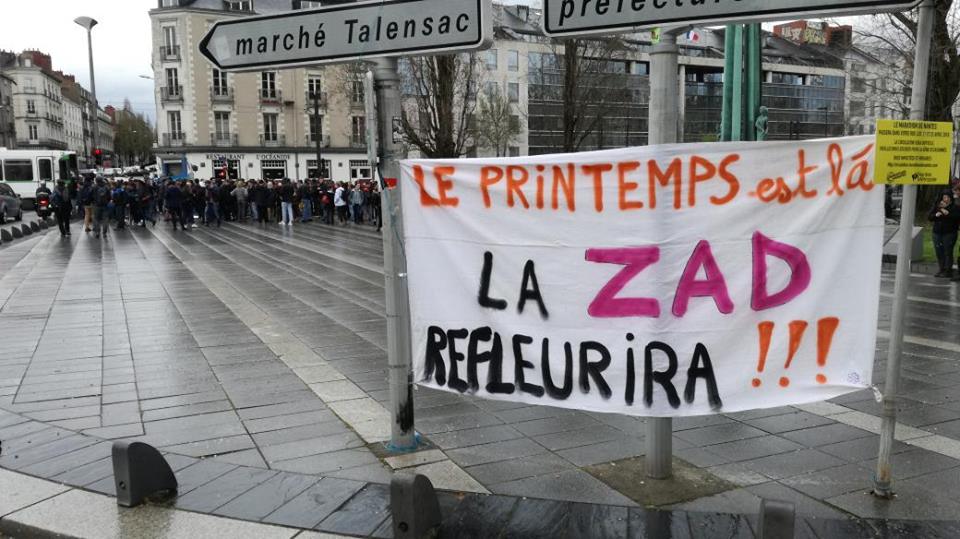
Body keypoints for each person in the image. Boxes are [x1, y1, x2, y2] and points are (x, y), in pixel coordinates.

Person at [930, 190, 959, 278]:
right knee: (939, 251)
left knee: (947, 251)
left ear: (951, 198)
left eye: (947, 197)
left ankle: (948, 270)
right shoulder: (937, 206)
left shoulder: (955, 207)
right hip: (937, 232)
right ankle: (941, 269)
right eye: (944, 197)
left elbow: (957, 217)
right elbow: (930, 217)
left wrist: (948, 213)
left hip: (949, 233)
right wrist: (936, 215)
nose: (945, 199)